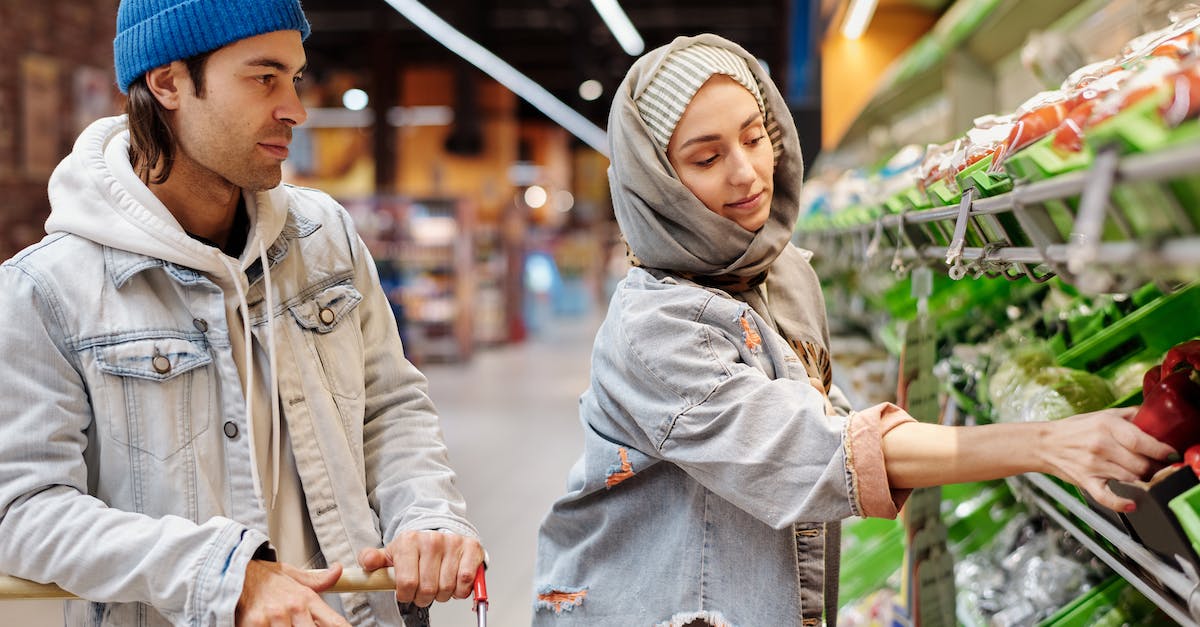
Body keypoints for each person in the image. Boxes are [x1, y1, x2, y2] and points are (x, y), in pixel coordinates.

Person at [531, 34, 1174, 627]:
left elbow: (826, 424)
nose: (747, 174)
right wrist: (1045, 444)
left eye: (755, 137)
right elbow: (812, 452)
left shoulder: (776, 276)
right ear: (658, 185)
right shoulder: (656, 329)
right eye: (706, 158)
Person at [0, 1, 483, 625]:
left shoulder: (326, 239)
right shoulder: (47, 290)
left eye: (296, 78)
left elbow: (390, 408)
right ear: (168, 81)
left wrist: (426, 514)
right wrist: (225, 575)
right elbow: (22, 512)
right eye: (264, 77)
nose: (296, 109)